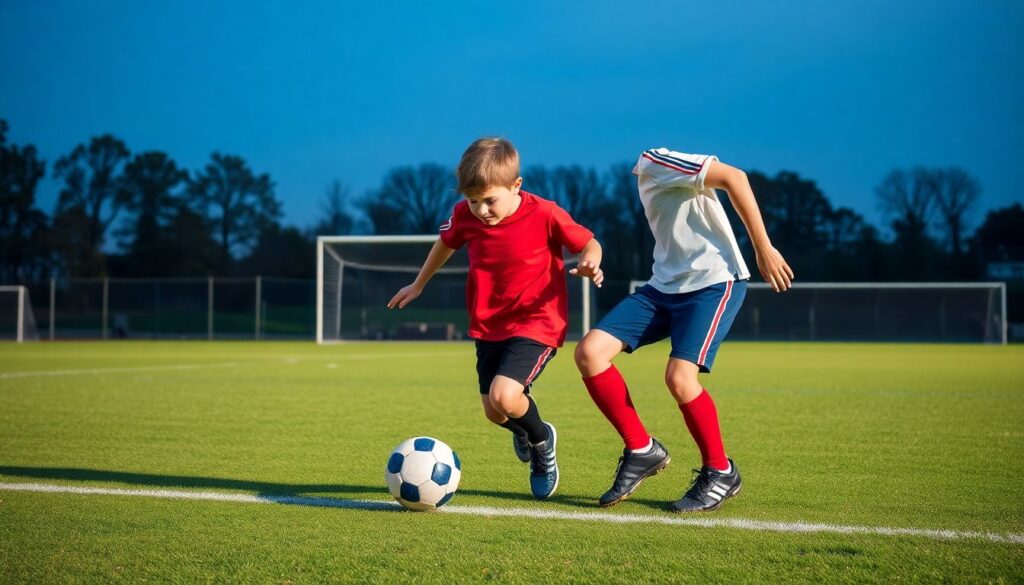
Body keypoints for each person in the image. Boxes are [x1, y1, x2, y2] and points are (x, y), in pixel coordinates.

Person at [574, 147, 793, 512]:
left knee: (679, 378)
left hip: (712, 283)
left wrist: (763, 247)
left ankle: (720, 471)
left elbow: (734, 177)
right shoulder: (645, 173)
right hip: (663, 287)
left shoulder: (655, 159)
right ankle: (641, 450)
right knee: (589, 353)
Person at [388, 137, 604, 500]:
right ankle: (529, 429)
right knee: (494, 412)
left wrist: (591, 260)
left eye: (490, 200)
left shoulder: (546, 213)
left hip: (539, 321)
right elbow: (445, 243)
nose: (482, 209)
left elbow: (589, 241)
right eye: (474, 201)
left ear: (516, 186)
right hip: (489, 325)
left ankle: (541, 442)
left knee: (505, 395)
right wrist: (419, 283)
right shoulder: (464, 216)